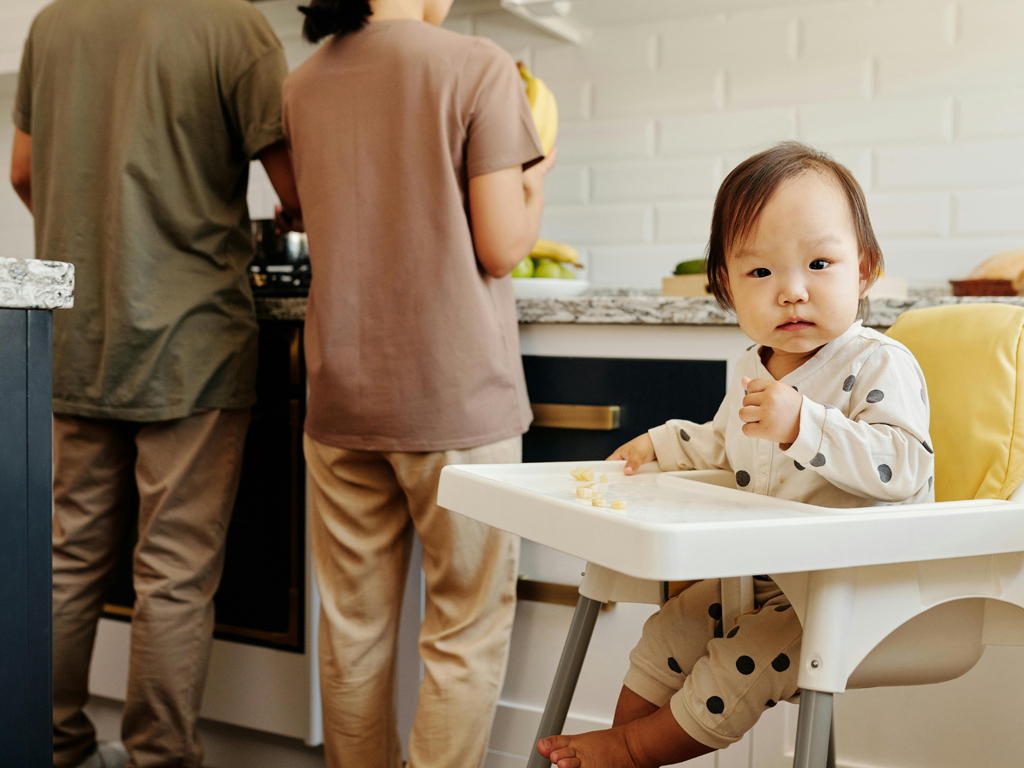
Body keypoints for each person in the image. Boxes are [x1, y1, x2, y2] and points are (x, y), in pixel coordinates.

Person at [536, 142, 936, 768]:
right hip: (772, 578)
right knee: (670, 628)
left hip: (856, 588)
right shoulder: (754, 367)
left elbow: (904, 464)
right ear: (724, 285)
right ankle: (619, 746)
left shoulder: (878, 362)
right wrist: (660, 445)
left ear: (865, 270)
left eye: (820, 263)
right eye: (760, 273)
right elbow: (726, 442)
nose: (792, 292)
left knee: (740, 659)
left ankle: (631, 751)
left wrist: (805, 423)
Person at [10, 1, 301, 766]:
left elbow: (23, 170)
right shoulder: (233, 24)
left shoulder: (54, 22)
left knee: (65, 559)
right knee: (171, 572)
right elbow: (297, 185)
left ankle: (53, 746)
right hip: (192, 336)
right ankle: (159, 759)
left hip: (73, 330)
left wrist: (99, 238)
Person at [280, 0, 555, 765]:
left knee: (352, 628)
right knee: (465, 627)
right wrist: (537, 178)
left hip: (339, 396)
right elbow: (502, 247)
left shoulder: (302, 83)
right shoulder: (477, 65)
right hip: (455, 400)